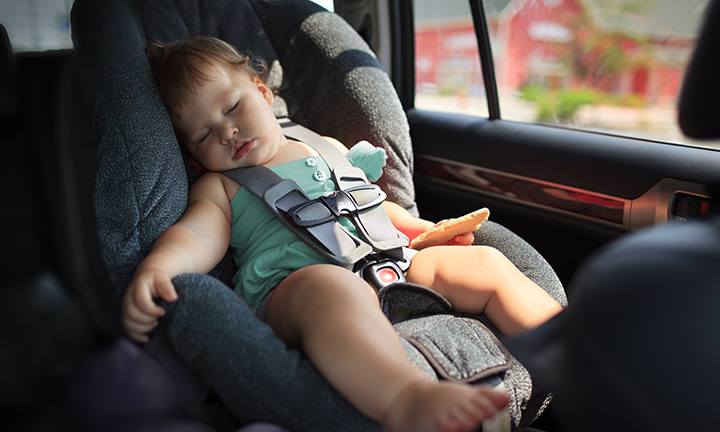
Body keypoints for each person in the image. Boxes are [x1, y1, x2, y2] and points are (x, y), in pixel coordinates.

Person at [122, 36, 562, 432]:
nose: (226, 131)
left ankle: (573, 350)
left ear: (262, 92)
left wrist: (424, 232)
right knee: (331, 287)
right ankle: (405, 399)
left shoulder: (324, 146)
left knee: (482, 263)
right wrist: (159, 267)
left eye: (232, 108)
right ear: (194, 156)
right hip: (296, 289)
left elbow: (372, 205)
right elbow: (196, 237)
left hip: (387, 265)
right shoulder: (222, 186)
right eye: (203, 134)